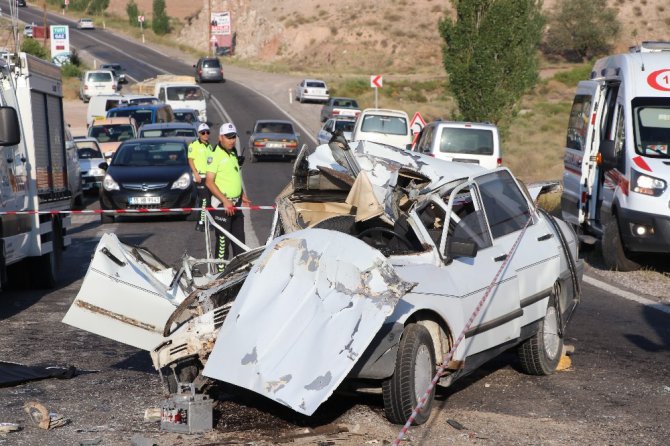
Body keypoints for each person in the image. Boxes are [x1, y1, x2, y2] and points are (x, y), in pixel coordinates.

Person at [205, 122, 251, 271]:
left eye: (234, 137)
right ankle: (220, 276)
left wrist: (241, 194)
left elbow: (233, 177)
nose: (232, 140)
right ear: (220, 137)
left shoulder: (232, 154)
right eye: (228, 137)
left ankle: (242, 274)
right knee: (223, 244)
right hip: (222, 206)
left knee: (240, 244)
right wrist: (225, 201)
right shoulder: (214, 155)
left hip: (236, 205)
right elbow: (209, 182)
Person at [188, 122, 214, 231]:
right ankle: (200, 223)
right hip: (199, 177)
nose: (205, 134)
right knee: (204, 200)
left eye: (207, 132)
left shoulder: (210, 146)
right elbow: (190, 160)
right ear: (199, 134)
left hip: (208, 177)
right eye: (203, 133)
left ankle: (206, 221)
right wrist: (195, 173)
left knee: (209, 201)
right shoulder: (194, 145)